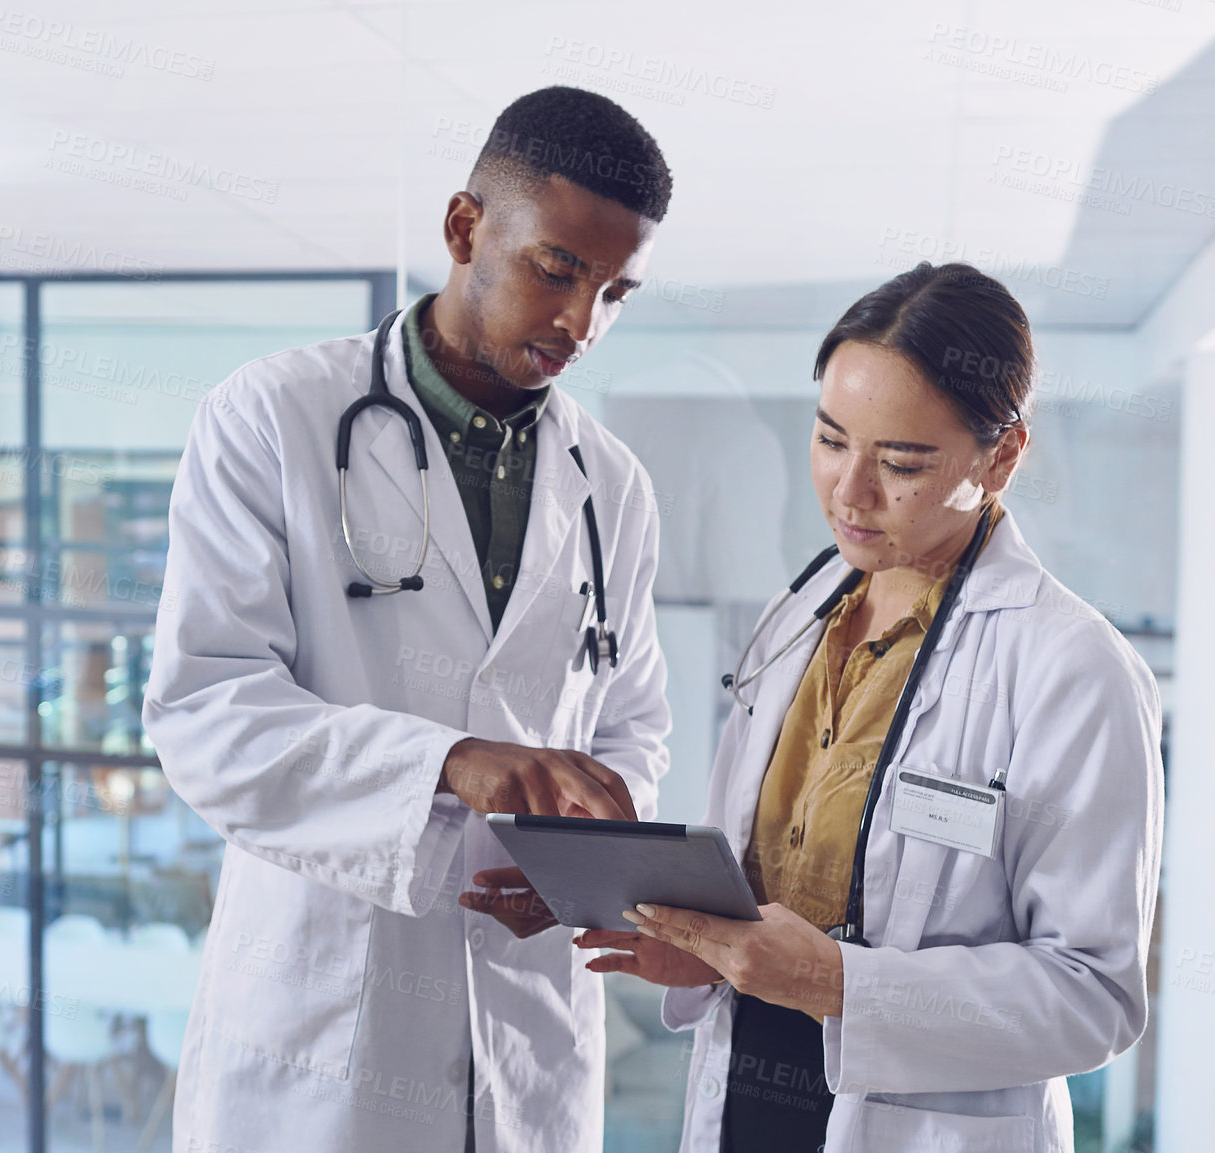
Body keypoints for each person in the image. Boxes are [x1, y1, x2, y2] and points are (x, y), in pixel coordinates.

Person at [142, 86, 675, 1152]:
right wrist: (447, 763)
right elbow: (204, 710)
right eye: (557, 270)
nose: (582, 323)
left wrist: (581, 866)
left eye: (615, 291)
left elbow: (632, 727)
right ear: (465, 228)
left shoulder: (609, 484)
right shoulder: (273, 417)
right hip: (324, 1025)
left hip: (526, 1020)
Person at [574, 262, 1163, 1152]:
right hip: (747, 1101)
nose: (850, 492)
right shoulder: (801, 612)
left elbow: (1094, 998)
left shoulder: (1071, 667)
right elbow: (767, 879)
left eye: (901, 461)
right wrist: (705, 948)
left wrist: (840, 984)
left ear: (1002, 456)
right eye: (830, 439)